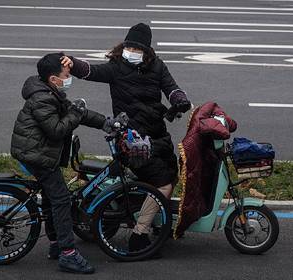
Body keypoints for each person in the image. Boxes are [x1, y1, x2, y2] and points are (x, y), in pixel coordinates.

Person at [61, 23, 192, 253]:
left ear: (147, 51)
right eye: (129, 46)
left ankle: (154, 220)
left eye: (137, 48)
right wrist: (71, 62)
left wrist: (180, 100)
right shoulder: (116, 68)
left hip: (157, 136)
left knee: (173, 171)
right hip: (132, 141)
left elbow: (172, 89)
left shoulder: (158, 68)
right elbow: (90, 71)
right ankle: (139, 235)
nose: (131, 50)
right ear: (123, 47)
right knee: (164, 184)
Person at [10, 52, 121, 274]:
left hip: (36, 150)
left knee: (52, 198)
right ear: (53, 79)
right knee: (61, 200)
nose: (69, 77)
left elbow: (76, 113)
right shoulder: (43, 98)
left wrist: (107, 123)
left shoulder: (49, 91)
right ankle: (68, 254)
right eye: (67, 74)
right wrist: (76, 112)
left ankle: (56, 244)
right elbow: (57, 129)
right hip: (36, 154)